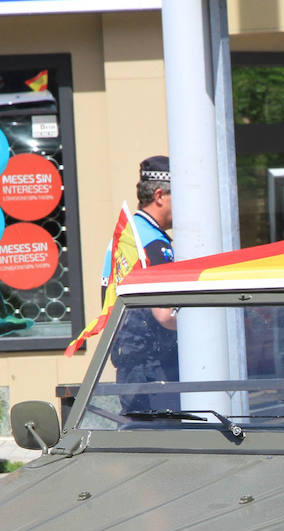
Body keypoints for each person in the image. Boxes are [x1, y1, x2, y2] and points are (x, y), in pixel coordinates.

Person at [105, 155, 179, 410]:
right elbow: (166, 315)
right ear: (160, 196)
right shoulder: (154, 245)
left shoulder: (130, 235)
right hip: (154, 371)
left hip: (133, 367)